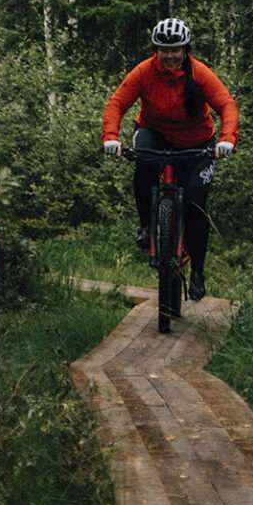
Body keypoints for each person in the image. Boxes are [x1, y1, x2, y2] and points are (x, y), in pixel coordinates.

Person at [102, 16, 239, 300]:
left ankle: (198, 271)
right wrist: (111, 137)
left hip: (197, 143)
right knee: (143, 166)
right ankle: (146, 226)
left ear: (185, 49)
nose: (169, 56)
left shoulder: (200, 74)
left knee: (195, 204)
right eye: (163, 50)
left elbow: (226, 105)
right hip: (155, 133)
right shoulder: (144, 72)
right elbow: (117, 102)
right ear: (156, 50)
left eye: (175, 49)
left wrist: (227, 139)